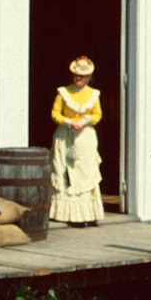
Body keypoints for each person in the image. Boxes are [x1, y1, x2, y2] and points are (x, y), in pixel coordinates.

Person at [49, 56, 103, 226]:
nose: (78, 78)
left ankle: (88, 214)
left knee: (85, 172)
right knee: (64, 170)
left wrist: (85, 120)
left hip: (85, 137)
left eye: (82, 76)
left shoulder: (93, 94)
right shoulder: (63, 92)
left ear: (88, 77)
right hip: (66, 135)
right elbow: (55, 113)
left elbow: (97, 114)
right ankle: (68, 215)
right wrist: (68, 121)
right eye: (76, 75)